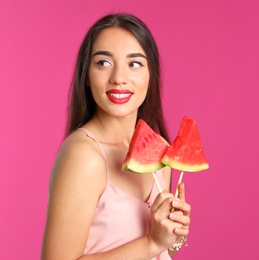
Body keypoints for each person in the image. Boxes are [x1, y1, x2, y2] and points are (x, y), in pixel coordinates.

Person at [41, 13, 191, 259]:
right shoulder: (84, 155)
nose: (119, 78)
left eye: (134, 64)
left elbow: (161, 252)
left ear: (150, 74)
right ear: (86, 76)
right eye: (103, 63)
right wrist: (152, 242)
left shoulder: (160, 149)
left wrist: (173, 235)